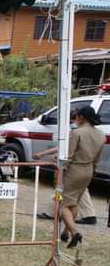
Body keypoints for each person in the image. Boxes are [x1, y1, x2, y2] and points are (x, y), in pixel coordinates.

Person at [33, 105, 105, 248]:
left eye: (77, 117)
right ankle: (65, 233)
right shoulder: (101, 135)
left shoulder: (76, 133)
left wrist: (59, 171)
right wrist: (93, 172)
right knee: (74, 202)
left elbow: (69, 156)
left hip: (74, 170)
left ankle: (74, 232)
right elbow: (97, 159)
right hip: (89, 170)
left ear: (81, 117)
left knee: (62, 204)